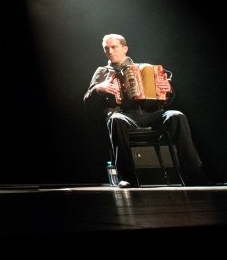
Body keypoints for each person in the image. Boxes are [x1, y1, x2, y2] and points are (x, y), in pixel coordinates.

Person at [83, 33, 210, 188]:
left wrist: (168, 90)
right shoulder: (102, 72)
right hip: (124, 115)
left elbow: (168, 99)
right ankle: (126, 177)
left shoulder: (145, 67)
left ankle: (193, 173)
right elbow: (87, 102)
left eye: (114, 47)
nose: (110, 51)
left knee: (177, 115)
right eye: (106, 48)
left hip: (152, 113)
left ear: (125, 48)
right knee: (115, 120)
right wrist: (98, 88)